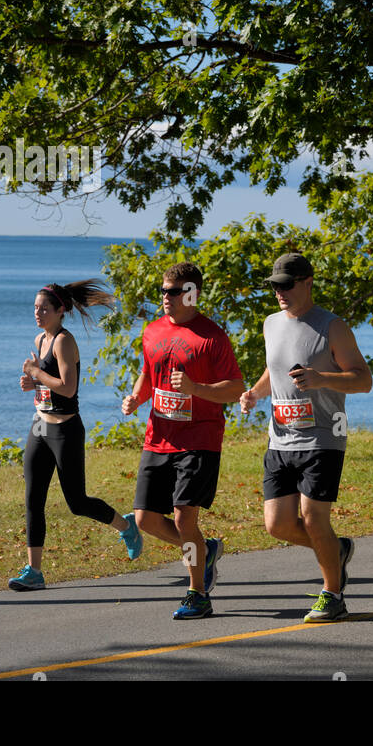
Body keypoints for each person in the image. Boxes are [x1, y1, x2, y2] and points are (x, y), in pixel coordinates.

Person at [239, 253, 372, 623]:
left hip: (324, 437)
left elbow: (363, 379)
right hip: (279, 439)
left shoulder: (332, 326)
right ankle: (338, 549)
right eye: (275, 286)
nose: (280, 292)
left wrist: (322, 378)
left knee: (313, 519)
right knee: (277, 525)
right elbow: (274, 367)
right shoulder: (270, 324)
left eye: (287, 284)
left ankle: (333, 594)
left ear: (308, 282)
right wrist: (255, 393)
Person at [121, 262, 244, 619]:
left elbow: (236, 389)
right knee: (144, 519)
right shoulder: (152, 332)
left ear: (192, 294)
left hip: (199, 439)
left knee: (183, 519)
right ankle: (205, 550)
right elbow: (148, 374)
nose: (165, 297)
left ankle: (197, 594)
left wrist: (196, 389)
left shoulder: (212, 337)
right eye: (162, 291)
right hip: (158, 438)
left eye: (173, 291)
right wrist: (135, 398)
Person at [10, 280, 141, 591]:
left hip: (65, 430)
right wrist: (34, 383)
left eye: (43, 308)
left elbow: (68, 388)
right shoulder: (40, 339)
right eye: (35, 308)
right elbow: (48, 382)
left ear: (60, 311)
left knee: (77, 502)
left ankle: (127, 526)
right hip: (40, 426)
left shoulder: (63, 342)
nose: (37, 313)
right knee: (33, 499)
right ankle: (34, 571)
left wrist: (36, 373)